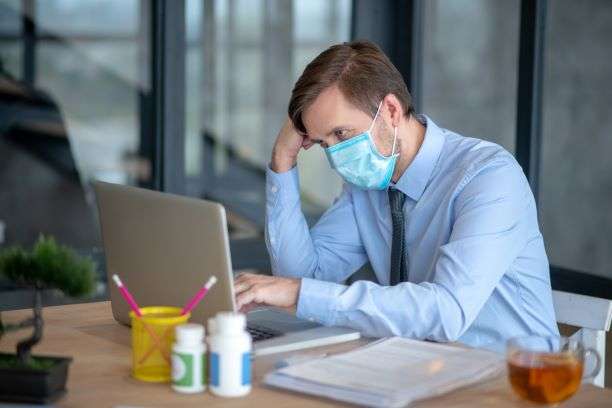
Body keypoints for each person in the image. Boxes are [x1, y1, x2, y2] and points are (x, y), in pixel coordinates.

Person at [234, 40, 558, 347]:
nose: (334, 156)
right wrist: (283, 160)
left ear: (390, 110)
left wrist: (298, 292)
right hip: (423, 367)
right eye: (323, 143)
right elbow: (301, 279)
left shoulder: (489, 176)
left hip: (513, 378)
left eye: (341, 133)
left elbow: (447, 312)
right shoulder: (367, 185)